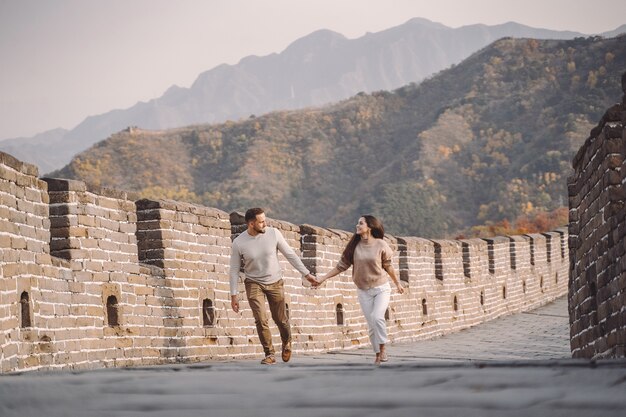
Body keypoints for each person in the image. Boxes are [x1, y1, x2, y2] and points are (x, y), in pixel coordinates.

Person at [312, 215, 404, 365]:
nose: (357, 225)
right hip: (363, 290)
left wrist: (397, 283)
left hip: (381, 288)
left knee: (377, 316)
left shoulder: (381, 244)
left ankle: (383, 347)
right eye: (358, 223)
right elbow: (340, 266)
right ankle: (376, 354)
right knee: (371, 325)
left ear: (370, 227)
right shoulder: (354, 246)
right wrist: (322, 278)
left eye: (361, 223)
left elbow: (388, 266)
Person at [230, 208, 317, 365]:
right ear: (251, 224)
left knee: (281, 319)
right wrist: (233, 295)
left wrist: (307, 274)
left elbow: (290, 254)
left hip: (275, 281)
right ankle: (269, 353)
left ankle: (287, 342)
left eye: (265, 220)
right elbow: (234, 269)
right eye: (261, 221)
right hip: (253, 282)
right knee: (260, 318)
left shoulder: (274, 233)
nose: (265, 223)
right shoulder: (239, 243)